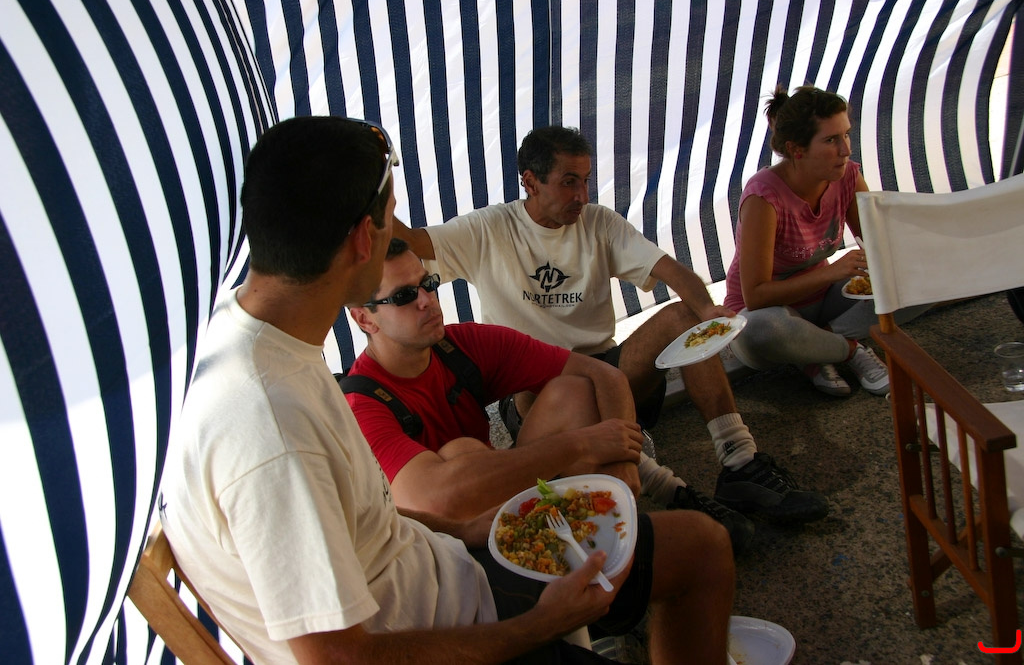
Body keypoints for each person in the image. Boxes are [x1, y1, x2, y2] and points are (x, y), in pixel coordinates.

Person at [159, 116, 734, 664]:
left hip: (450, 566)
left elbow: (374, 523)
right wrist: (540, 625)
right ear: (363, 241)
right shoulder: (272, 426)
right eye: (390, 220)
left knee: (702, 544)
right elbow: (339, 658)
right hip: (457, 629)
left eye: (426, 284)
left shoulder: (258, 342)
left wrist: (461, 532)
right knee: (699, 551)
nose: (422, 292)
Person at [393, 125, 829, 529]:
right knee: (560, 387)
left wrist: (706, 308)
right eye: (569, 182)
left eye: (585, 180)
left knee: (683, 318)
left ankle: (740, 461)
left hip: (608, 371)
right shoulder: (488, 228)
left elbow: (671, 269)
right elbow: (409, 245)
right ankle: (670, 490)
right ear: (530, 182)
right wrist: (378, 197)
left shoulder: (598, 222)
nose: (582, 195)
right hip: (535, 393)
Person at [347, 238, 754, 550]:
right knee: (461, 451)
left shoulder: (460, 344)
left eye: (428, 284)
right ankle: (578, 561)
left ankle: (619, 519)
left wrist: (623, 464)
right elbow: (437, 502)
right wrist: (582, 444)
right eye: (404, 296)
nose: (426, 301)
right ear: (364, 319)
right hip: (437, 545)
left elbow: (604, 375)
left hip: (501, 494)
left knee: (573, 391)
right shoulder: (361, 402)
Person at [722, 85, 925, 396]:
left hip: (824, 303)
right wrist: (831, 272)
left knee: (921, 272)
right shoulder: (764, 197)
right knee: (759, 332)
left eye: (846, 135)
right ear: (797, 149)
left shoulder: (847, 176)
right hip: (768, 314)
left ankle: (817, 347)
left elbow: (879, 245)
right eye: (831, 140)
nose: (845, 150)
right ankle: (848, 350)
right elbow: (756, 297)